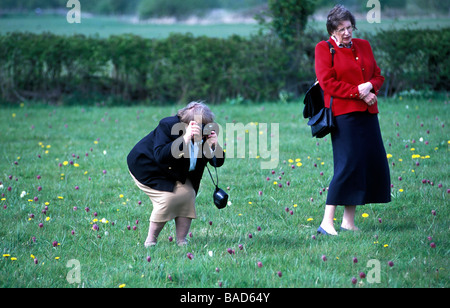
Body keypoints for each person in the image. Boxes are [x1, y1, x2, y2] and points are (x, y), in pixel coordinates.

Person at [314, 5, 391, 235]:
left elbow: (378, 76)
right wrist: (360, 92)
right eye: (341, 29)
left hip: (368, 113)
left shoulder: (364, 45)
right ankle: (326, 223)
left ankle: (348, 222)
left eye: (349, 27)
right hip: (343, 115)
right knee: (347, 166)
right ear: (332, 31)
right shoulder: (323, 49)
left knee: (363, 164)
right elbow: (328, 83)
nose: (347, 32)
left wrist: (371, 87)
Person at [127, 102, 225, 246]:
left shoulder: (205, 134)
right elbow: (160, 156)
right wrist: (185, 139)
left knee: (188, 195)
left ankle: (181, 241)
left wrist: (215, 146)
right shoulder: (167, 126)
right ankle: (150, 240)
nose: (202, 129)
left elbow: (217, 163)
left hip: (176, 172)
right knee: (168, 198)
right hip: (148, 167)